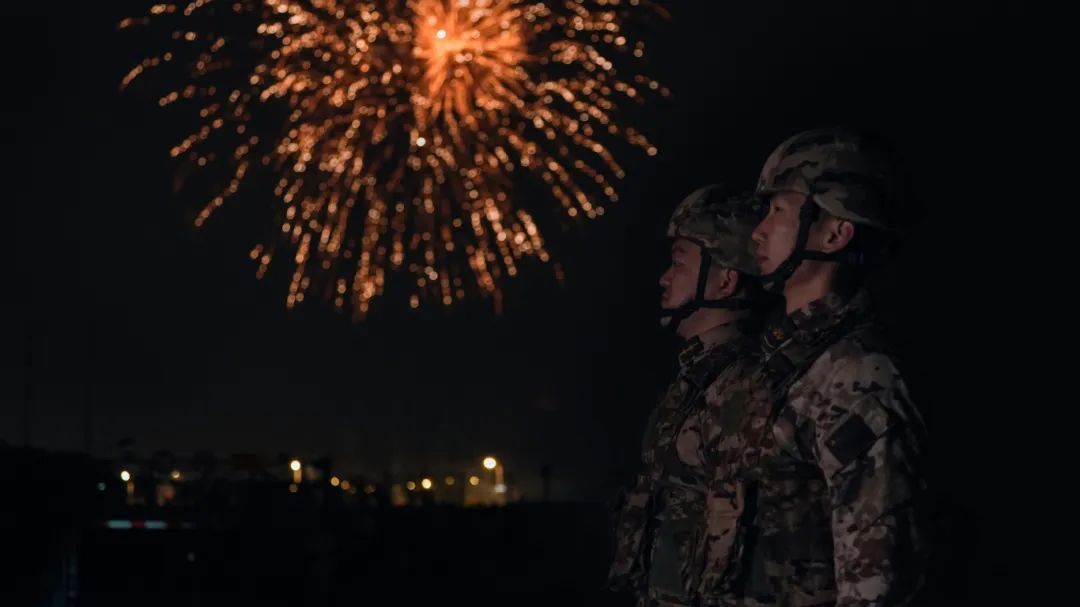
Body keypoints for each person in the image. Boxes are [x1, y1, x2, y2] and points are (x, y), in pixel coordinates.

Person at [700, 128, 931, 606]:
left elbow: (875, 583)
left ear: (835, 231)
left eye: (778, 210)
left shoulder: (855, 374)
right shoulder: (787, 362)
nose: (759, 231)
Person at [609, 184, 763, 606]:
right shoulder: (699, 378)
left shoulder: (741, 385)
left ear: (726, 280)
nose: (664, 277)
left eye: (679, 261)